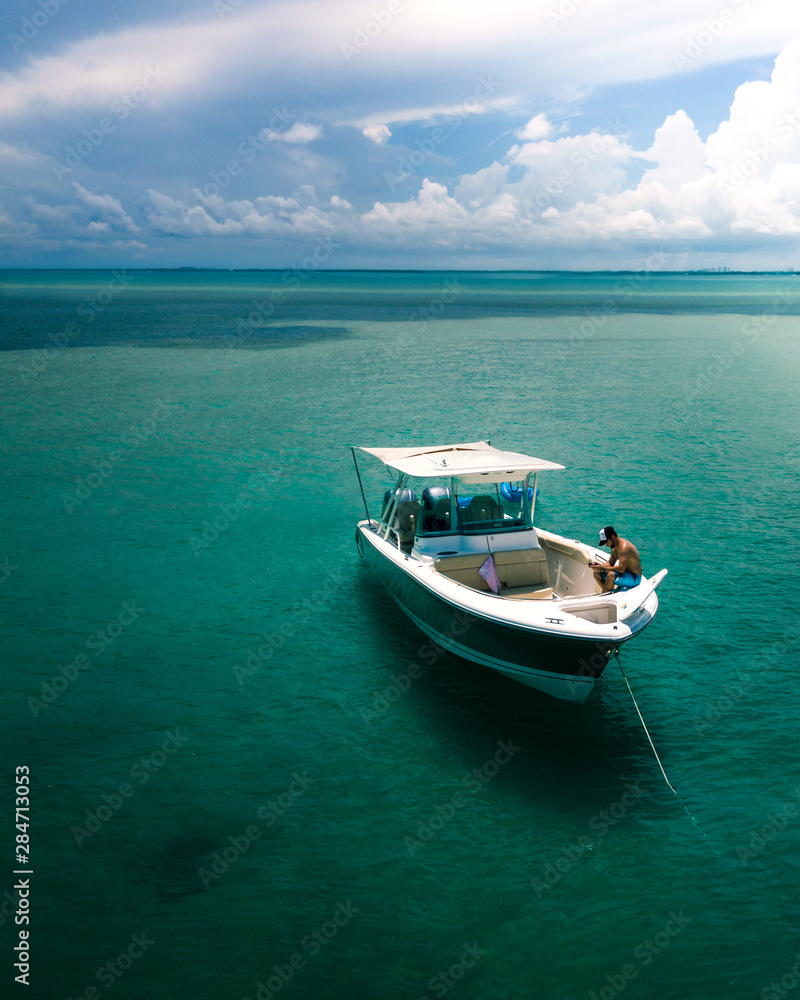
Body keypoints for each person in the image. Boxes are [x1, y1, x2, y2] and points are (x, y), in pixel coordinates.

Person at [589, 526, 643, 593]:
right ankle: (608, 593)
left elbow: (621, 569)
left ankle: (604, 595)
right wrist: (599, 567)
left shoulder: (624, 547)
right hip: (625, 574)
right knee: (597, 573)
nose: (606, 545)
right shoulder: (614, 548)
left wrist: (602, 569)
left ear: (613, 537)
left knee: (611, 575)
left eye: (606, 542)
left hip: (634, 578)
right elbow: (610, 563)